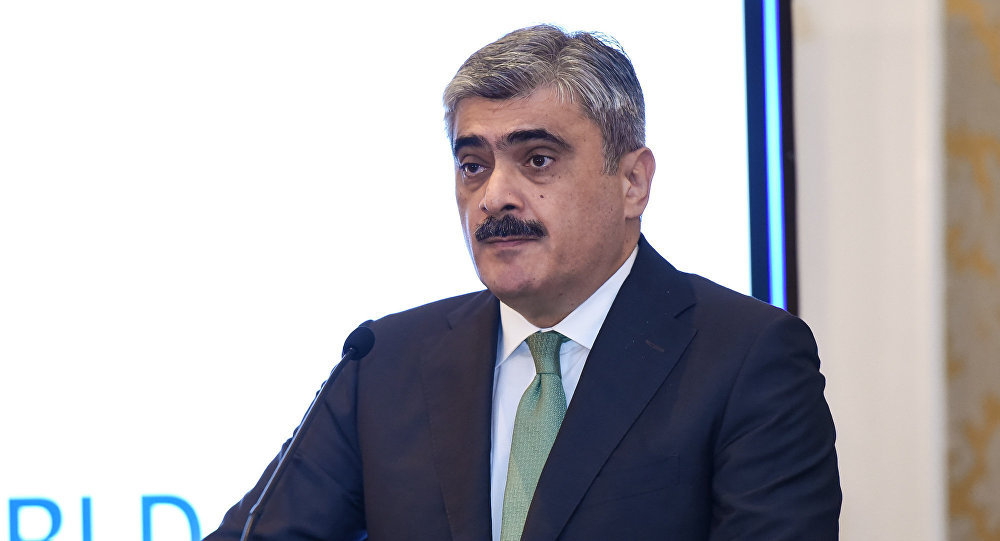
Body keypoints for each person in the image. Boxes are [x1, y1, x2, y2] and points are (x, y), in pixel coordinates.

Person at [205, 24, 841, 540]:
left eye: (537, 160)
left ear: (633, 182)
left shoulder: (747, 358)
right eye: (473, 165)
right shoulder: (384, 363)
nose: (494, 197)